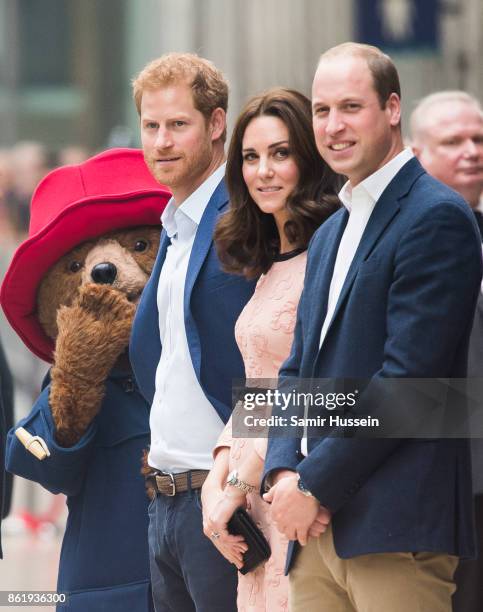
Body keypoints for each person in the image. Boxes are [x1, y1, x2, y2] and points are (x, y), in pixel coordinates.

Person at [262, 42, 482, 612]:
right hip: (313, 539)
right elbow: (297, 368)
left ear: (391, 108)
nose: (333, 126)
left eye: (350, 108)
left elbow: (410, 383)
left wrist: (314, 486)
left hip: (396, 528)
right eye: (321, 110)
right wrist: (284, 471)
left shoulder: (437, 216)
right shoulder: (332, 230)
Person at [201, 88, 340, 611]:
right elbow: (261, 384)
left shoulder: (327, 259)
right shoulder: (271, 266)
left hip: (294, 489)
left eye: (281, 153)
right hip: (250, 506)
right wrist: (216, 478)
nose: (264, 171)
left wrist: (239, 481)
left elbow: (312, 389)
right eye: (251, 157)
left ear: (310, 156)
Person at [129, 53, 257, 612]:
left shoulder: (248, 216)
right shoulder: (173, 226)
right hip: (164, 497)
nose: (161, 141)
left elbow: (280, 358)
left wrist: (236, 484)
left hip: (229, 498)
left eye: (178, 124)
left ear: (216, 123)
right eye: (151, 126)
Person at [410, 90, 483, 612]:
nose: (472, 150)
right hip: (411, 477)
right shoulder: (340, 237)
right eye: (454, 140)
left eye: (479, 139)